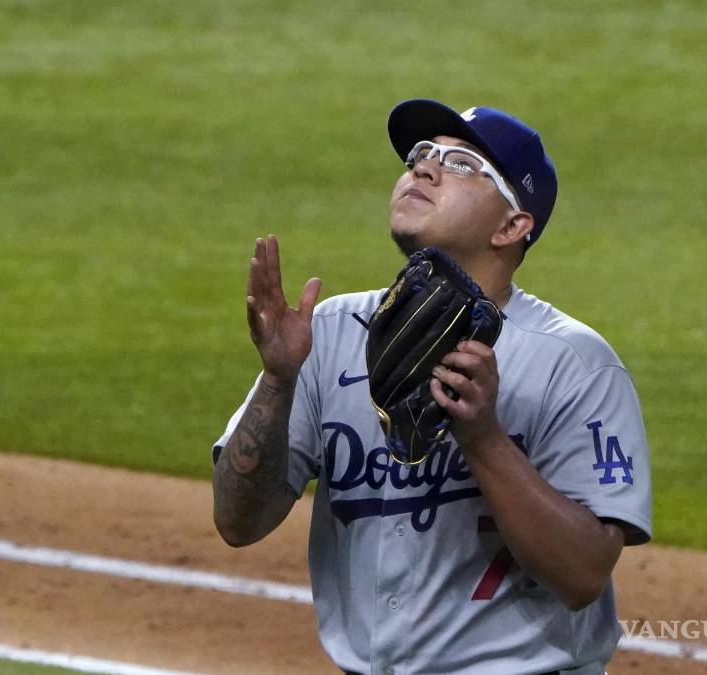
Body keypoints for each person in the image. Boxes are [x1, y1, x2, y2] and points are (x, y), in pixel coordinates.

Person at [211, 99, 652, 675]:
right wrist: (278, 380)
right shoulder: (328, 333)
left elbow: (584, 575)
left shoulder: (572, 364)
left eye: (462, 164)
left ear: (512, 227)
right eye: (421, 155)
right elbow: (238, 523)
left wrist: (484, 439)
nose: (423, 167)